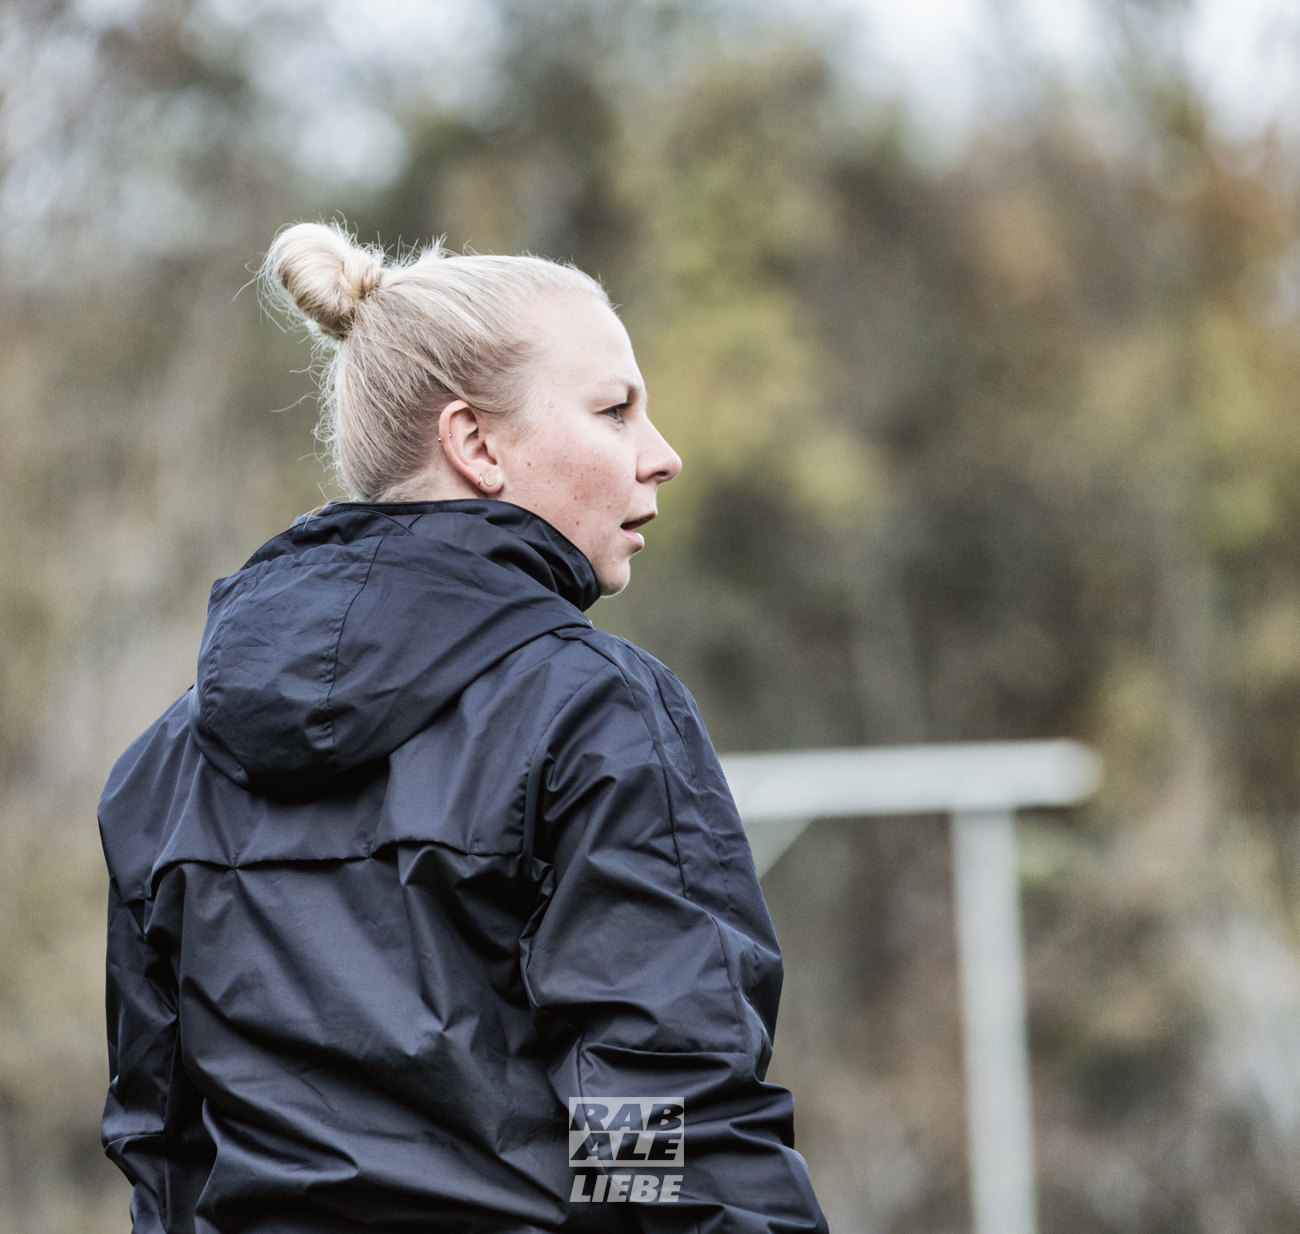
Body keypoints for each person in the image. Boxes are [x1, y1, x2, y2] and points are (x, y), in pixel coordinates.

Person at [97, 221, 828, 1234]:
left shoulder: (167, 762)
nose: (661, 456)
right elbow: (656, 1110)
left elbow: (163, 1146)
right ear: (476, 443)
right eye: (614, 410)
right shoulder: (595, 712)